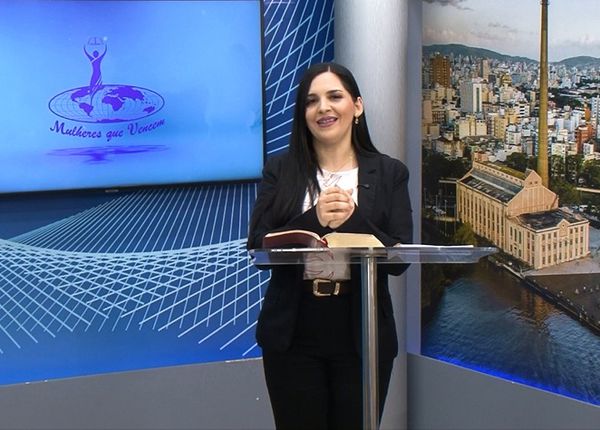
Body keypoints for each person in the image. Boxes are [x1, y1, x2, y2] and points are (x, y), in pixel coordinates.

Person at [247, 62, 413, 430]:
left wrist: (353, 220)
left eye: (334, 96)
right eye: (311, 101)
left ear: (357, 106)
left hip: (363, 331)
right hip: (293, 331)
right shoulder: (280, 170)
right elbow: (259, 248)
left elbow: (399, 258)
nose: (323, 108)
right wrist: (313, 219)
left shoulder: (389, 173)